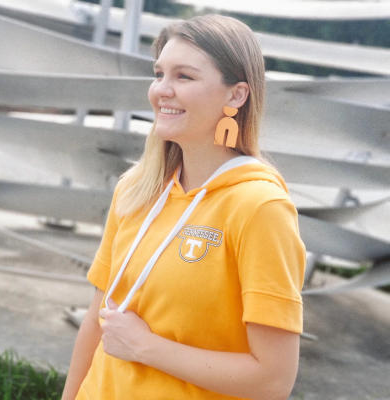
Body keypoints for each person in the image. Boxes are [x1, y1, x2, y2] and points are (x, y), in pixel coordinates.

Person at [62, 14, 306, 400]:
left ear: (236, 95)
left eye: (184, 77)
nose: (161, 90)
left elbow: (272, 381)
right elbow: (97, 321)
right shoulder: (136, 189)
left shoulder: (260, 207)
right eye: (159, 73)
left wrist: (146, 348)